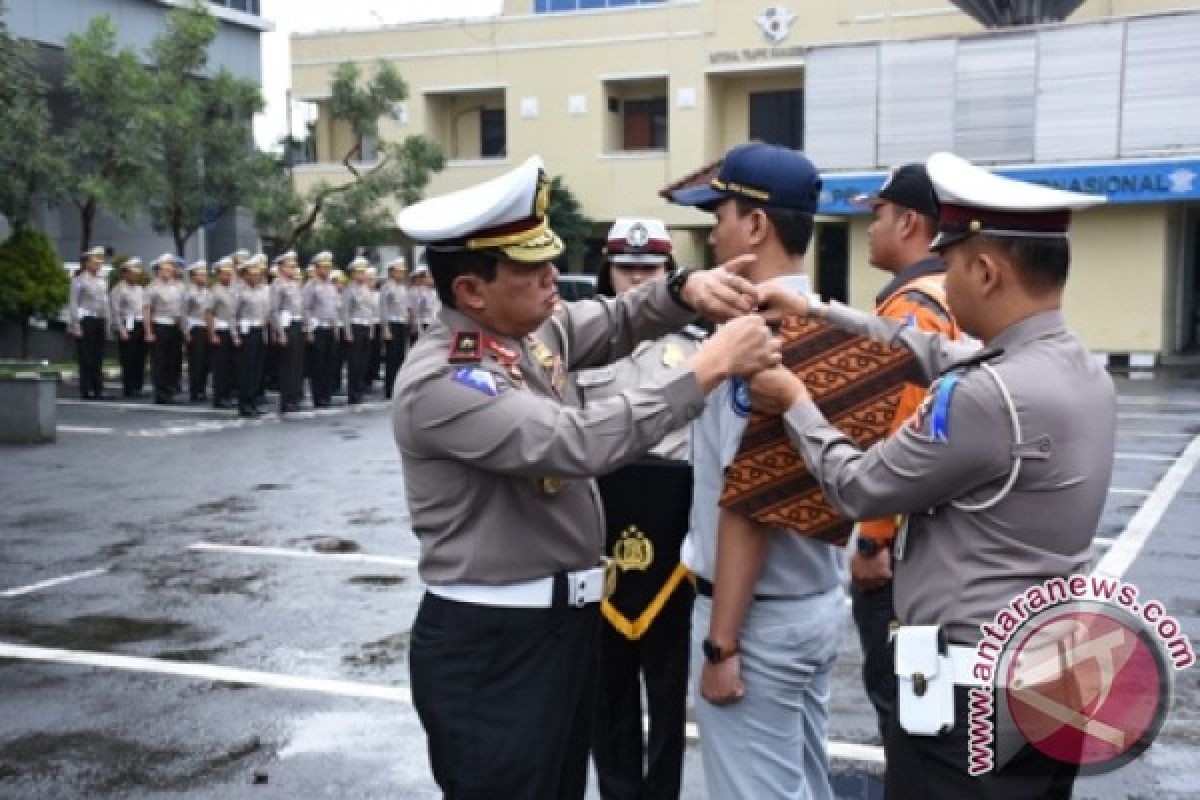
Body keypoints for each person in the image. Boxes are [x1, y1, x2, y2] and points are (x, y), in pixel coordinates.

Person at [392, 155, 781, 800]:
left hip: (557, 632)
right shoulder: (444, 381)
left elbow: (613, 320)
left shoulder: (524, 332)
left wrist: (684, 290)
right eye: (532, 267)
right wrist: (704, 370)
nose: (553, 278)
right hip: (495, 647)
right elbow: (576, 441)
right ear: (471, 292)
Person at [750, 151, 1115, 800]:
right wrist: (819, 310)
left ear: (985, 269)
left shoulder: (987, 396)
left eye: (949, 265)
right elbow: (931, 350)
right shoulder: (1078, 368)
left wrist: (795, 400)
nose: (943, 280)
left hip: (971, 696)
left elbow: (860, 486)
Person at [668, 141, 843, 800]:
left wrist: (721, 647)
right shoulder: (824, 322)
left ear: (757, 226)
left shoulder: (756, 339)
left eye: (722, 212)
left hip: (755, 620)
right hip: (810, 602)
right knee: (804, 783)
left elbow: (750, 504)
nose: (713, 229)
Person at [581, 219, 702, 800]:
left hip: (673, 531)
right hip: (598, 525)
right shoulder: (576, 352)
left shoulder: (700, 348)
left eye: (649, 269)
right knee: (607, 687)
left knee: (668, 681)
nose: (636, 278)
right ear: (607, 270)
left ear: (668, 273)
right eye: (626, 268)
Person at [850, 163, 962, 741]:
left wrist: (872, 535)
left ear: (910, 222)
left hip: (902, 541)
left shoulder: (912, 307)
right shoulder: (952, 292)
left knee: (899, 706)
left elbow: (901, 429)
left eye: (878, 214)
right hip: (941, 533)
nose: (870, 227)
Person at [142, 255, 185, 405]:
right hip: (160, 326)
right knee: (159, 361)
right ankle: (160, 393)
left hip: (175, 327)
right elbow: (147, 310)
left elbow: (182, 309)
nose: (166, 272)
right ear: (158, 271)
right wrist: (148, 331)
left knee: (173, 360)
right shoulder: (152, 288)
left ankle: (170, 389)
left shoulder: (179, 287)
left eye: (169, 269)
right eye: (163, 269)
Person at [69, 246, 111, 400]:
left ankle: (98, 388)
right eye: (94, 262)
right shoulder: (79, 280)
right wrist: (76, 325)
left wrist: (107, 322)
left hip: (99, 320)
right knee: (86, 357)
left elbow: (105, 302)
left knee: (98, 356)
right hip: (85, 320)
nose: (97, 265)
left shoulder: (102, 280)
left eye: (99, 262)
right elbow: (74, 303)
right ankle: (86, 389)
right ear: (87, 263)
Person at [303, 252, 341, 408]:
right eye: (323, 268)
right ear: (317, 268)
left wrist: (336, 328)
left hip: (329, 328)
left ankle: (327, 394)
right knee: (317, 365)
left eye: (328, 267)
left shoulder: (331, 287)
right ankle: (318, 397)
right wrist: (309, 330)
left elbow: (334, 309)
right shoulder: (311, 286)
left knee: (328, 364)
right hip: (317, 328)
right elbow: (306, 309)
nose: (326, 271)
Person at [271, 250, 306, 413]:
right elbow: (275, 311)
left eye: (294, 266)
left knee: (297, 363)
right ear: (281, 268)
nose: (293, 269)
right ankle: (286, 399)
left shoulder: (295, 284)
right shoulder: (277, 285)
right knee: (287, 365)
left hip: (297, 324)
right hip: (287, 326)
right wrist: (280, 333)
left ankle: (294, 396)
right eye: (289, 266)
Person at [234, 257, 270, 418]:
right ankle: (245, 403)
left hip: (259, 331)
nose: (257, 277)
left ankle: (253, 401)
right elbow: (232, 316)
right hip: (246, 332)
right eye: (253, 274)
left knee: (257, 369)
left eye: (258, 274)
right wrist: (235, 335)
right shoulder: (239, 292)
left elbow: (266, 312)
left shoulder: (262, 290)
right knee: (246, 370)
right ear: (245, 275)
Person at [342, 256, 379, 405]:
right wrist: (348, 332)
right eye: (359, 272)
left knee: (364, 362)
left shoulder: (366, 289)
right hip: (355, 327)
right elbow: (345, 312)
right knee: (354, 362)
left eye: (363, 272)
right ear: (353, 274)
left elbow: (370, 311)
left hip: (365, 327)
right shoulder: (349, 290)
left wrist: (370, 328)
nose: (362, 275)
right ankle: (353, 393)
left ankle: (360, 389)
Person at [109, 258, 147, 398]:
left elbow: (144, 308)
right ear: (125, 274)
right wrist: (121, 329)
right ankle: (129, 387)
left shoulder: (140, 289)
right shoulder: (118, 289)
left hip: (139, 324)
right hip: (126, 324)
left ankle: (138, 386)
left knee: (139, 357)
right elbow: (115, 311)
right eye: (131, 273)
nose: (135, 276)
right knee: (128, 358)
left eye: (136, 273)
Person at [207, 258, 239, 409]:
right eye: (224, 274)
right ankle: (219, 397)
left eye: (229, 274)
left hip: (232, 331)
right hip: (220, 330)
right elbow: (209, 313)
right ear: (218, 275)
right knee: (220, 367)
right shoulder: (215, 291)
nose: (228, 277)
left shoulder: (234, 290)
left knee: (230, 366)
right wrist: (212, 334)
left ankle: (227, 395)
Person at [380, 257, 412, 398]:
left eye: (403, 271)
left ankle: (398, 387)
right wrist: (385, 329)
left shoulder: (403, 288)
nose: (402, 274)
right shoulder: (386, 287)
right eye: (399, 271)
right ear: (392, 272)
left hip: (401, 325)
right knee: (391, 359)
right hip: (392, 325)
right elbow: (383, 309)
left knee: (400, 357)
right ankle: (390, 389)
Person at [183, 260, 212, 402]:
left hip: (206, 328)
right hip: (195, 328)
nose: (204, 278)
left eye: (205, 275)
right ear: (193, 277)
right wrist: (186, 332)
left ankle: (202, 388)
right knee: (196, 361)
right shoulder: (189, 293)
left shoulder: (207, 292)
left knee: (205, 361)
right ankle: (195, 390)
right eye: (200, 275)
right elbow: (184, 313)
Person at [409, 265, 439, 342]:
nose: (432, 279)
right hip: (425, 323)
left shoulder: (433, 291)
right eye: (429, 277)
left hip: (434, 323)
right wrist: (419, 329)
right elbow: (416, 312)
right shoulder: (419, 292)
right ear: (422, 279)